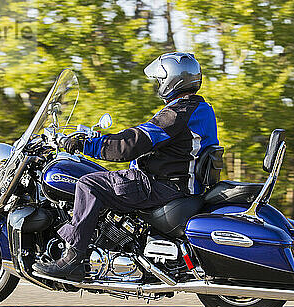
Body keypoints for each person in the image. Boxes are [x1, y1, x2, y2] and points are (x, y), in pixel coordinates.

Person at [33, 52, 219, 281]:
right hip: (179, 184)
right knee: (108, 180)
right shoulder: (201, 109)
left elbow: (132, 143)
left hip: (161, 185)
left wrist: (86, 145)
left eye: (159, 80)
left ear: (172, 80)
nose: (157, 85)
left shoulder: (178, 113)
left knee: (89, 183)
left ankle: (73, 259)